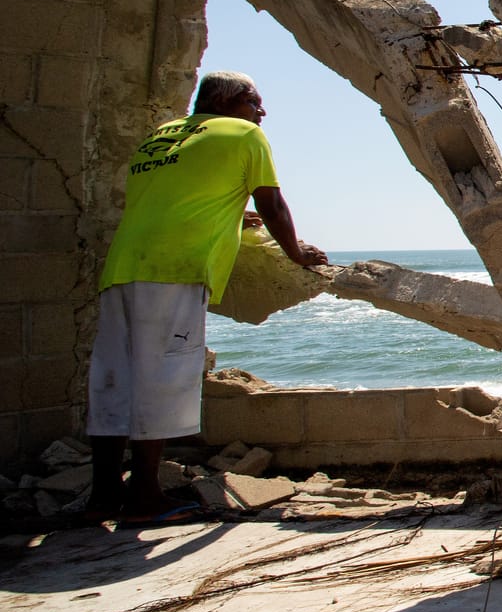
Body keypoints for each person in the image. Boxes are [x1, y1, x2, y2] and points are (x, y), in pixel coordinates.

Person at [84, 71, 326, 520]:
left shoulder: (162, 136)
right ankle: (144, 499)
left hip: (122, 268)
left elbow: (180, 200)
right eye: (256, 101)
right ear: (232, 100)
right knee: (162, 381)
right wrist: (296, 253)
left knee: (113, 383)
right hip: (175, 270)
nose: (262, 112)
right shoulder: (244, 133)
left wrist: (238, 217)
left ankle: (102, 497)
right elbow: (273, 202)